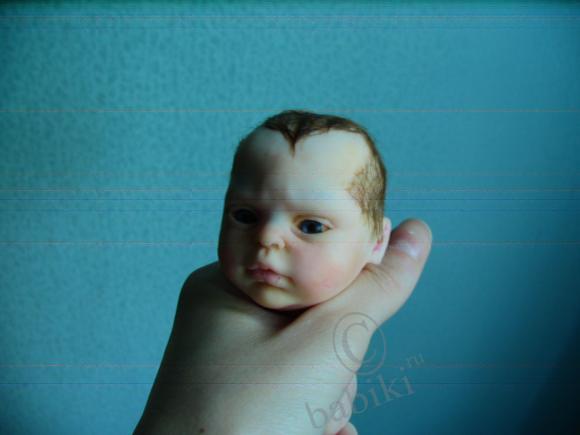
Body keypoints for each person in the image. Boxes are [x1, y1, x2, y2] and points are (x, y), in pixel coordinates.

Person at [134, 111, 433, 434]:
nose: (266, 237)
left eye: (311, 226)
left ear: (377, 242)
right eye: (245, 215)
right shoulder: (206, 299)